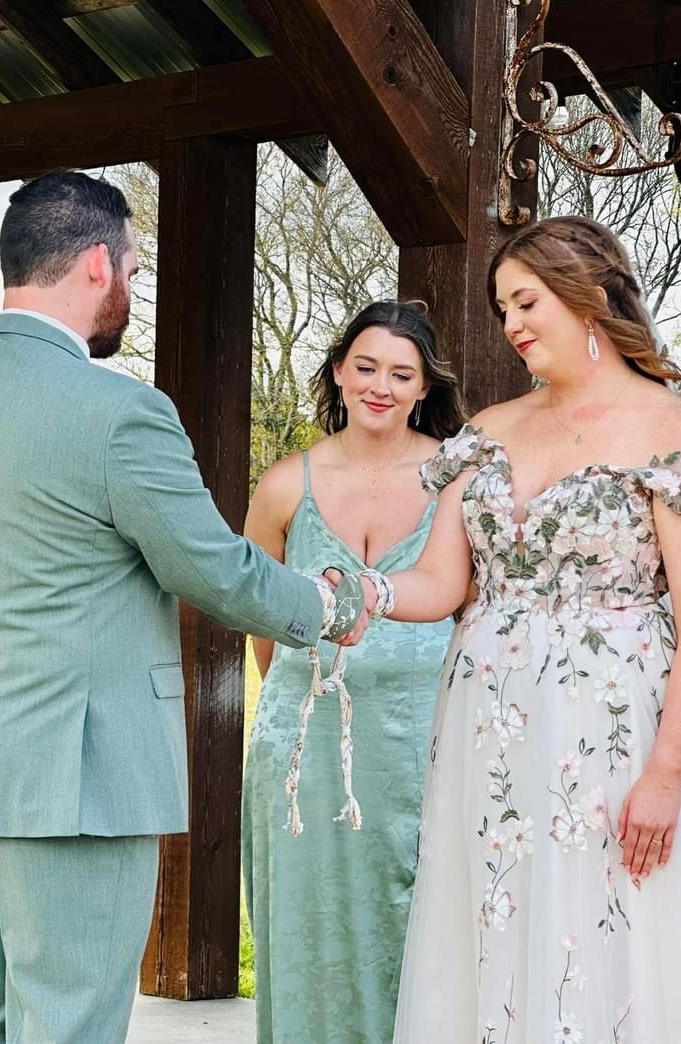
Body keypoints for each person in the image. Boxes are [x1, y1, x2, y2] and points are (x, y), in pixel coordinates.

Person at [0, 170, 370, 1044]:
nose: (133, 290)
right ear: (99, 265)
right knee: (68, 1023)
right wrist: (327, 609)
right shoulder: (121, 413)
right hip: (79, 775)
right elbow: (212, 567)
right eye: (135, 271)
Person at [365, 216, 681, 1042]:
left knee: (624, 933)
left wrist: (665, 773)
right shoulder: (488, 431)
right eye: (503, 308)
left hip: (621, 737)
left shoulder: (668, 430)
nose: (511, 324)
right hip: (496, 742)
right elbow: (443, 583)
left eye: (526, 302)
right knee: (508, 930)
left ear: (587, 296)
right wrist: (356, 596)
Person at [241, 301, 464, 1043]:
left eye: (401, 373)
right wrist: (301, 704)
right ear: (338, 371)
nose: (380, 386)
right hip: (303, 752)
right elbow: (263, 624)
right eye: (365, 367)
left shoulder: (455, 479)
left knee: (421, 922)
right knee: (310, 923)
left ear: (424, 386)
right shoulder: (284, 486)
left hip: (422, 741)